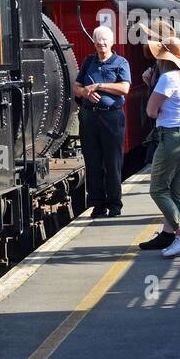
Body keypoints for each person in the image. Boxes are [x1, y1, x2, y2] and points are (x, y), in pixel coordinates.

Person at [140, 27, 180, 258]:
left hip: (171, 138)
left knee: (157, 189)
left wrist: (151, 87)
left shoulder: (166, 78)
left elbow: (151, 111)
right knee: (177, 190)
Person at [73, 24, 130, 217]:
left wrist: (98, 86)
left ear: (112, 42)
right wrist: (85, 93)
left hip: (111, 116)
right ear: (94, 44)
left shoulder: (120, 62)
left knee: (112, 161)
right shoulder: (88, 62)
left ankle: (114, 204)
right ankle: (97, 204)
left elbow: (124, 88)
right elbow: (77, 86)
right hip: (90, 116)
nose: (101, 44)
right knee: (93, 161)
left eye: (105, 41)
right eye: (98, 42)